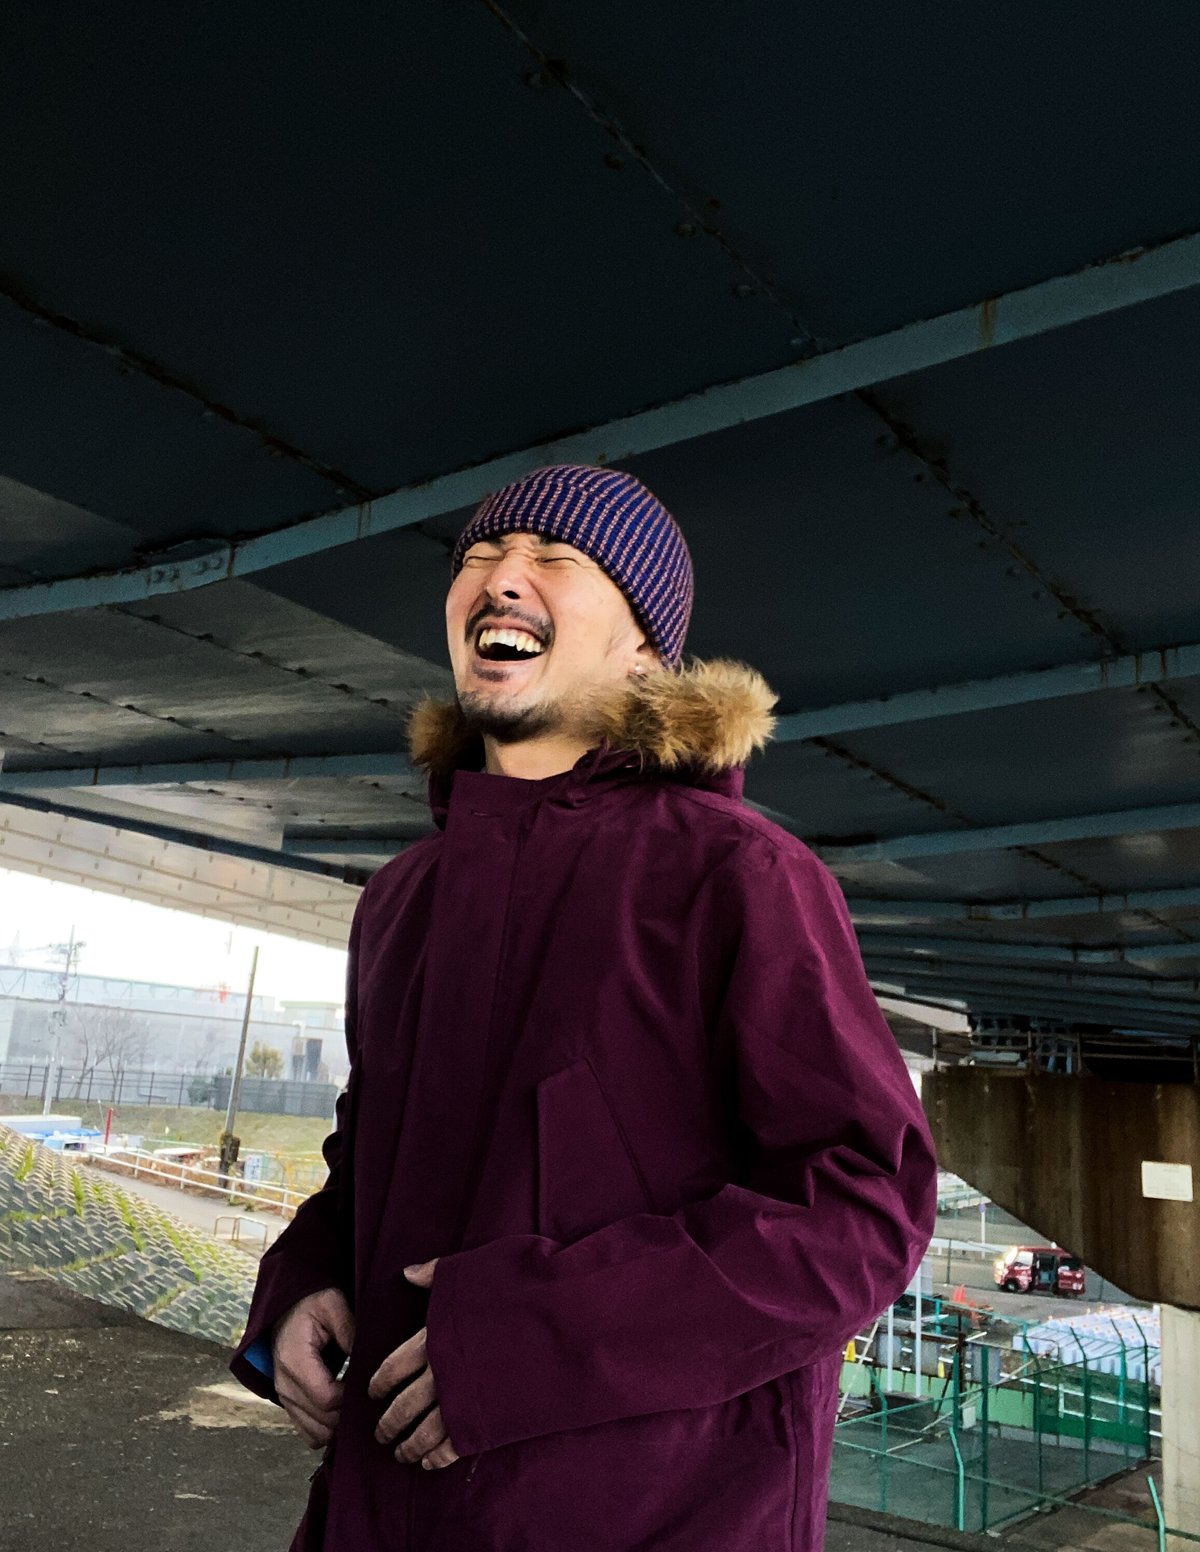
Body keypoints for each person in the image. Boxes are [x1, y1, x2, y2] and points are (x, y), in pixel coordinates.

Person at [231, 464, 938, 1551]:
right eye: (479, 556)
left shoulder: (741, 875)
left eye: (554, 558)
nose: (502, 577)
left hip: (655, 1516)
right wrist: (302, 1279)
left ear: (645, 648)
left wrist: (534, 1339)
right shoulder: (403, 899)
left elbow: (864, 1206)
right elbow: (370, 1155)